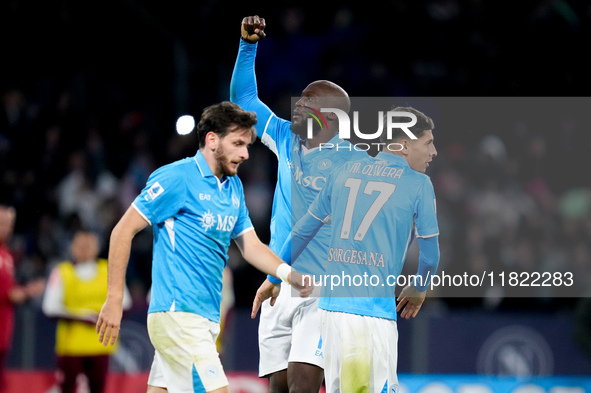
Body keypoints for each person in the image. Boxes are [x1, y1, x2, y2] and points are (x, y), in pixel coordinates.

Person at [95, 101, 312, 393]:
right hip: (179, 316)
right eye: (237, 143)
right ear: (212, 140)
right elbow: (122, 231)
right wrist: (114, 298)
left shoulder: (232, 187)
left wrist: (289, 274)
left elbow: (250, 245)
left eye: (247, 145)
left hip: (203, 318)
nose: (245, 153)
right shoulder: (177, 178)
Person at [254, 107, 441, 393]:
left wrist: (274, 278)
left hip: (330, 312)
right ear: (403, 145)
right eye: (428, 142)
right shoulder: (419, 185)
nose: (434, 151)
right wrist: (419, 287)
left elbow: (302, 231)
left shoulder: (344, 172)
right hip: (371, 314)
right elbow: (430, 256)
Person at [231, 15, 366, 393]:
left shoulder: (350, 163)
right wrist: (248, 46)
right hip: (280, 281)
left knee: (302, 385)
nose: (298, 104)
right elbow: (243, 101)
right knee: (278, 388)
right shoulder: (287, 140)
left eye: (309, 100)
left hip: (322, 284)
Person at [42, 230, 132, 393]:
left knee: (98, 388)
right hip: (70, 347)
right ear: (72, 248)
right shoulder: (62, 272)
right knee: (67, 388)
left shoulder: (108, 269)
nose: (84, 249)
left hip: (100, 345)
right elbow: (50, 308)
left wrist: (104, 317)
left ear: (97, 248)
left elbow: (125, 303)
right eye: (80, 245)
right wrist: (82, 317)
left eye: (88, 245)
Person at [0, 205, 45, 393]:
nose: (8, 229)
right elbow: (11, 295)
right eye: (3, 223)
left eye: (10, 224)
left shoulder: (6, 254)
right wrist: (31, 290)